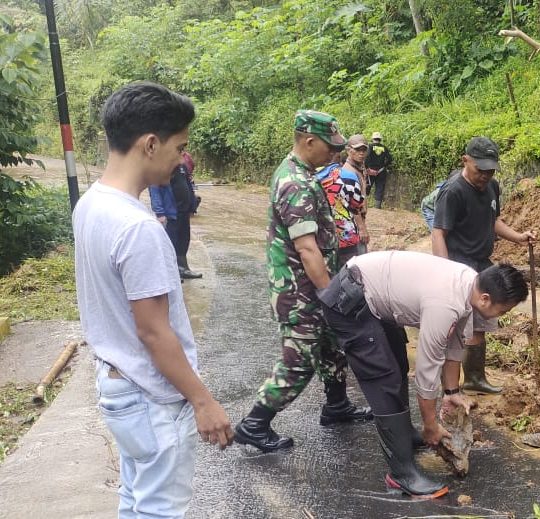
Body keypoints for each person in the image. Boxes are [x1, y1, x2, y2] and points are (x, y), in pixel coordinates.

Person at [73, 82, 233, 518]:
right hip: (150, 396)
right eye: (179, 147)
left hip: (117, 384)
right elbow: (153, 330)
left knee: (136, 500)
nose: (182, 159)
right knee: (160, 511)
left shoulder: (91, 204)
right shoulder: (139, 228)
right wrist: (203, 401)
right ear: (149, 144)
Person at [318, 251, 529, 498]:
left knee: (397, 361)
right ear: (485, 299)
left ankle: (403, 435)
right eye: (503, 312)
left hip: (371, 295)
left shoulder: (470, 284)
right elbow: (427, 369)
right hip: (349, 298)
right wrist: (431, 425)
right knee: (383, 376)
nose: (502, 317)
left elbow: (455, 344)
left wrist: (451, 392)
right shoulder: (446, 303)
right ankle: (401, 475)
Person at [234, 110, 370, 453]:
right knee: (299, 361)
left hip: (310, 285)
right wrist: (331, 294)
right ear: (309, 141)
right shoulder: (295, 183)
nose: (335, 153)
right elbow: (307, 248)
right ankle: (255, 423)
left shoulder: (304, 173)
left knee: (332, 347)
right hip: (300, 290)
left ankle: (337, 406)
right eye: (330, 147)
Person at [431, 136, 535, 394]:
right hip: (458, 265)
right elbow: (438, 233)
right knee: (458, 325)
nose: (485, 175)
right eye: (480, 170)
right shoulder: (453, 191)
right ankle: (449, 382)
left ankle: (474, 378)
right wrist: (444, 272)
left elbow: (493, 221)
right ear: (466, 160)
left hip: (482, 264)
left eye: (490, 170)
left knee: (481, 322)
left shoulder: (492, 187)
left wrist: (519, 237)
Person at [316, 134, 370, 268]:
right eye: (357, 150)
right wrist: (362, 228)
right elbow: (354, 206)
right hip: (349, 228)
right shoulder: (347, 174)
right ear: (347, 150)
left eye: (364, 149)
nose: (361, 153)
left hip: (338, 230)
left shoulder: (359, 169)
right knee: (356, 267)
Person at [364, 132, 393, 209]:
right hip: (381, 171)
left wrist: (367, 168)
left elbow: (366, 158)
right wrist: (384, 166)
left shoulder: (369, 147)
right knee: (380, 187)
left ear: (372, 139)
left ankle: (363, 204)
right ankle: (377, 207)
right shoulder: (384, 148)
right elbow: (390, 159)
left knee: (367, 187)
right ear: (380, 139)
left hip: (370, 171)